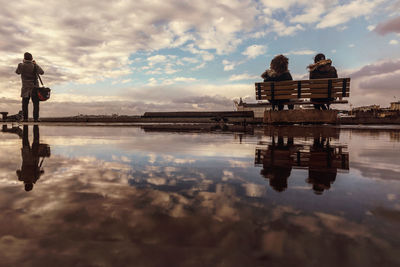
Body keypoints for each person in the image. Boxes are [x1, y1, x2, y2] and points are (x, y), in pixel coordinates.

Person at [16, 52, 44, 122]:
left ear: (24, 58)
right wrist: (35, 64)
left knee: (25, 104)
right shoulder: (34, 65)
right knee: (36, 104)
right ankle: (36, 118)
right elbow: (42, 72)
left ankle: (25, 118)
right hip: (35, 87)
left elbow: (17, 72)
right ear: (31, 58)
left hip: (25, 87)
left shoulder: (21, 65)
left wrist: (23, 63)